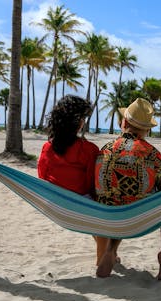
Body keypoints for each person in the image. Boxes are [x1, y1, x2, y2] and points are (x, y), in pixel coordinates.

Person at [95, 97, 161, 280]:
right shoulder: (155, 157)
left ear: (124, 122)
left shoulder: (104, 151)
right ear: (147, 129)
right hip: (141, 217)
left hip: (109, 216)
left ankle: (110, 250)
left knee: (119, 202)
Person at [37, 95, 103, 263]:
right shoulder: (89, 150)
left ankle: (107, 253)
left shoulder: (47, 147)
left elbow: (42, 177)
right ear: (79, 122)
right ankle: (103, 256)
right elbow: (91, 184)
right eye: (83, 118)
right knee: (101, 218)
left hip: (54, 202)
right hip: (81, 203)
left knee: (95, 215)